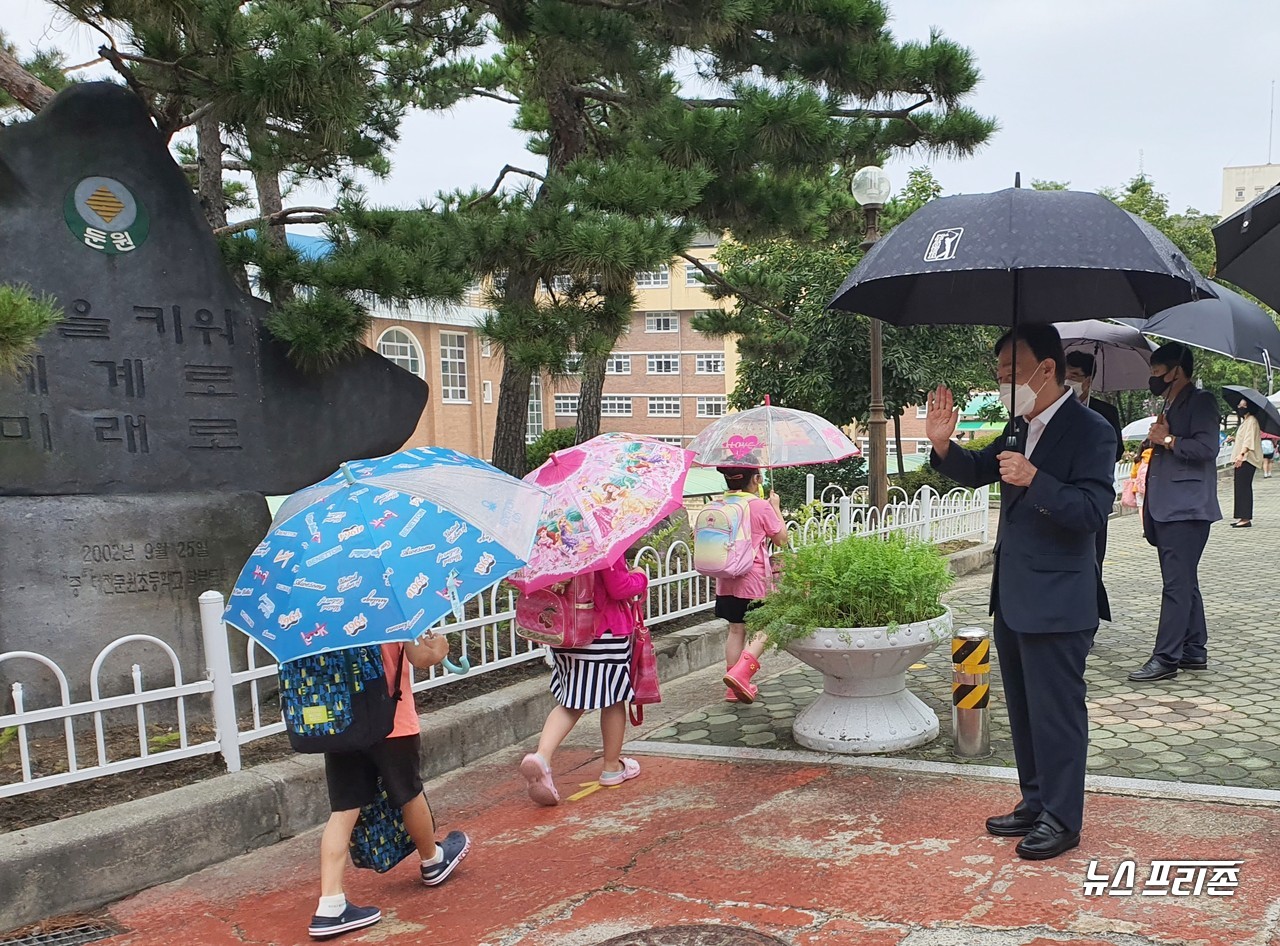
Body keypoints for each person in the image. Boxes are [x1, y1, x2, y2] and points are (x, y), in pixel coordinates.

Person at [925, 324, 1115, 861]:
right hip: (1011, 595)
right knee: (1027, 712)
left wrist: (1037, 479)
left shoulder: (1091, 430)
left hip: (1060, 598)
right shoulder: (1017, 426)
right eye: (1000, 374)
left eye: (1011, 373)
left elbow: (1092, 513)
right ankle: (1035, 801)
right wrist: (944, 445)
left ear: (1046, 369)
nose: (1004, 383)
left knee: (1058, 712)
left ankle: (1063, 817)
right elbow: (978, 469)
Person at [311, 632, 470, 940]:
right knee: (408, 793)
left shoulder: (323, 612)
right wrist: (439, 649)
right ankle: (432, 860)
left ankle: (329, 906)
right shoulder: (387, 603)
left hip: (343, 723)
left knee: (344, 808)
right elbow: (420, 657)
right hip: (393, 721)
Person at [519, 558, 649, 806]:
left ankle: (542, 757)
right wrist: (640, 577)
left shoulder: (554, 543)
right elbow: (619, 587)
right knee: (613, 699)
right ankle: (612, 767)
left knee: (571, 701)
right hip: (604, 632)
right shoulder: (599, 542)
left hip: (565, 631)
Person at [1129, 342, 1222, 683]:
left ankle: (1165, 658)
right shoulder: (1170, 402)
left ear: (1176, 371)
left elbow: (1207, 448)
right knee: (1184, 581)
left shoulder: (1201, 401)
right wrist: (1154, 441)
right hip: (1168, 507)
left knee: (1175, 585)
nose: (1153, 379)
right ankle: (1194, 649)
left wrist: (1168, 441)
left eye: (1157, 373)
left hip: (1186, 508)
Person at [717, 467, 790, 704]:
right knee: (770, 624)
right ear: (756, 479)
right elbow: (781, 540)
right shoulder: (759, 505)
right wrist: (776, 506)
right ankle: (741, 674)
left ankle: (732, 688)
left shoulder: (720, 504)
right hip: (754, 580)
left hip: (726, 580)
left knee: (736, 629)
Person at [1064, 350, 1124, 569]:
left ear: (1088, 381)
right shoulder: (1052, 410)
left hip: (1092, 495)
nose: (1068, 381)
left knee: (1093, 559)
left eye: (1075, 376)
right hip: (1060, 492)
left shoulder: (1105, 412)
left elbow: (1117, 451)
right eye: (1065, 375)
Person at [1231, 399, 1262, 528]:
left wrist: (1241, 454)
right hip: (1243, 458)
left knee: (1243, 487)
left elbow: (1249, 441)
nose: (1240, 407)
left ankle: (1245, 518)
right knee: (1240, 487)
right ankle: (1242, 516)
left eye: (1243, 405)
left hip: (1247, 459)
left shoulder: (1252, 421)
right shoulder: (1246, 421)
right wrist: (1233, 438)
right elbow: (1244, 438)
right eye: (1239, 405)